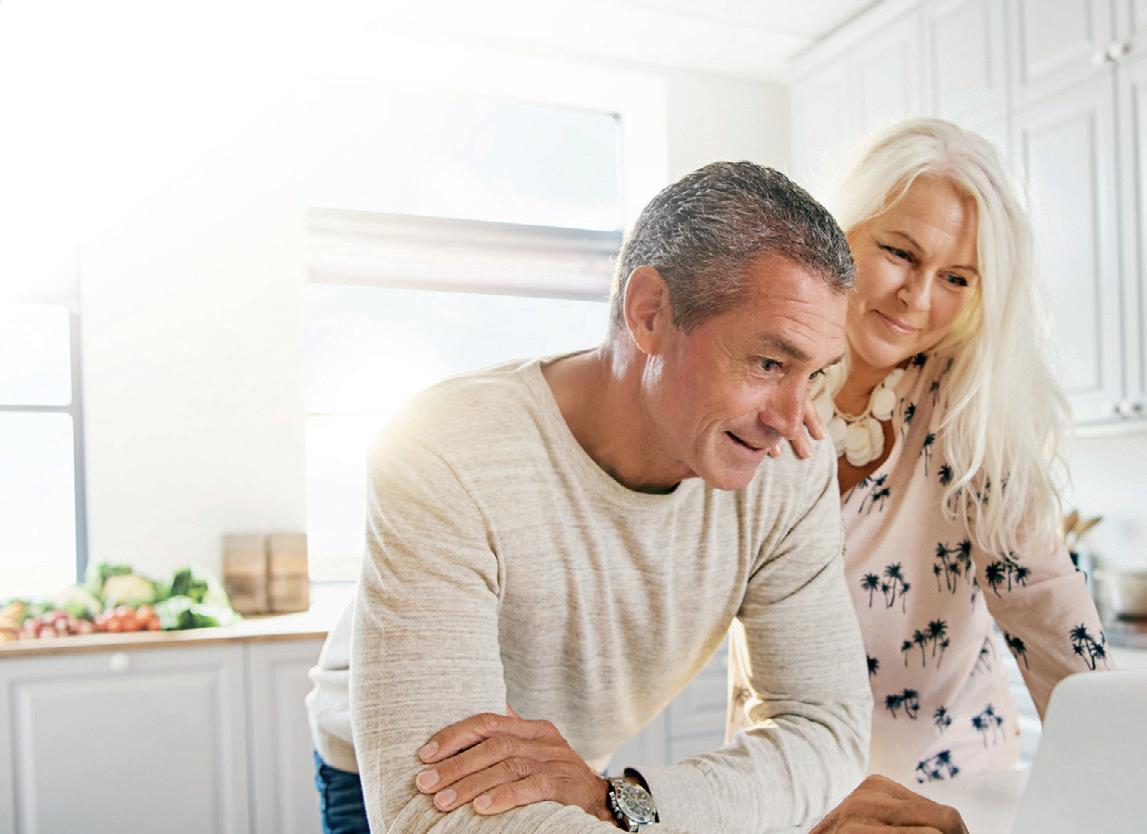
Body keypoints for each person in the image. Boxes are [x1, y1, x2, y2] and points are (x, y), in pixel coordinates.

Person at [305, 161, 968, 833]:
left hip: (573, 772)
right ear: (650, 313)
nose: (792, 419)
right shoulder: (445, 447)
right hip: (380, 770)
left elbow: (826, 732)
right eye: (769, 363)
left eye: (815, 373)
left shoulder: (789, 464)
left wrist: (620, 800)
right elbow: (433, 818)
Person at [740, 118, 1110, 787]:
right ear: (842, 231)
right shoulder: (763, 387)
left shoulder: (971, 405)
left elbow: (1042, 598)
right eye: (900, 253)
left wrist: (1122, 767)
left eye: (957, 279)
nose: (916, 298)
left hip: (949, 788)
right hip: (780, 781)